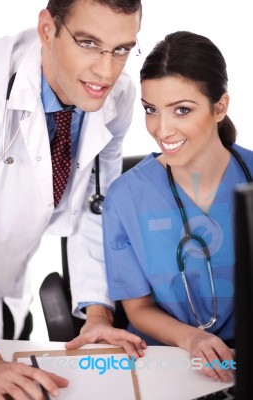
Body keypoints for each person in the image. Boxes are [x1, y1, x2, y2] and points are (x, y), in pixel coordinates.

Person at [0, 0, 146, 398]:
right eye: (89, 43)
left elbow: (97, 203)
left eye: (122, 48)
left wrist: (96, 313)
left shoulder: (116, 98)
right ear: (47, 29)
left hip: (7, 287)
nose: (106, 71)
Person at [102, 31, 253, 383]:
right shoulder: (126, 196)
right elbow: (137, 309)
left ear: (220, 107)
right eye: (151, 110)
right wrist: (193, 338)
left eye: (182, 110)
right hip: (169, 362)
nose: (162, 129)